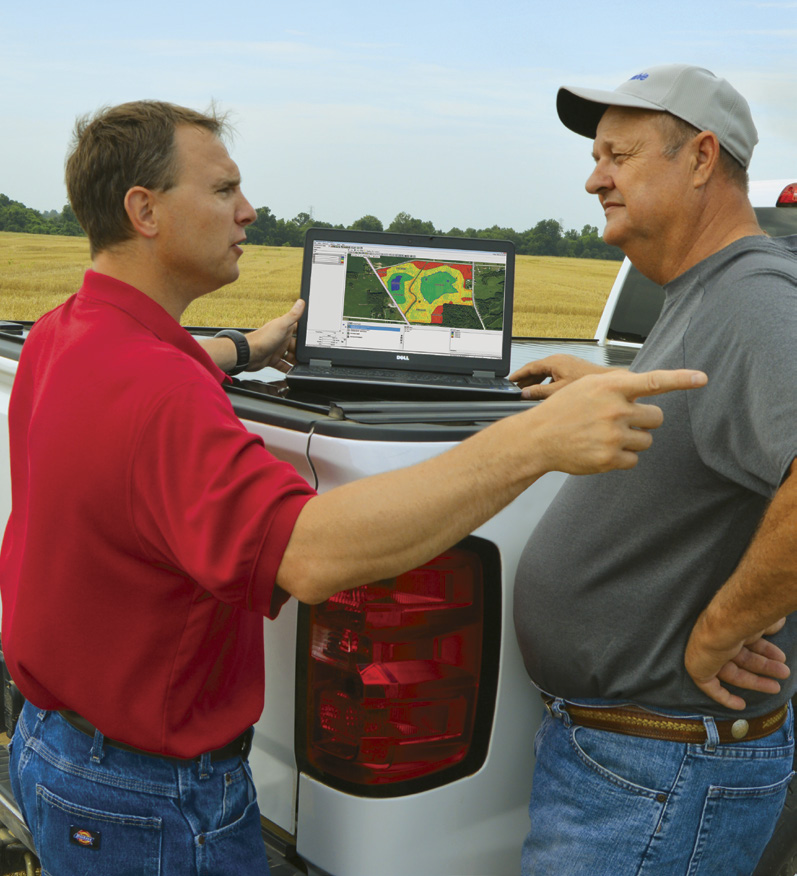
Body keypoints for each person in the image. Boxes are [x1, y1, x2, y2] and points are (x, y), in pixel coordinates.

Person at [0, 99, 705, 876]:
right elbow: (306, 556)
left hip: (57, 747)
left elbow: (153, 377)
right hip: (154, 801)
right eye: (222, 189)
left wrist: (245, 346)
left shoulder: (68, 334)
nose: (248, 209)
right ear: (145, 210)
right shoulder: (156, 390)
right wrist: (534, 441)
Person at [509, 64, 797, 874]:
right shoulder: (702, 293)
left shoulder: (753, 297)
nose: (594, 176)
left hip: (663, 773)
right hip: (639, 766)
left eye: (619, 154)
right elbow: (722, 421)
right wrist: (603, 385)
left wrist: (719, 629)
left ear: (701, 158)